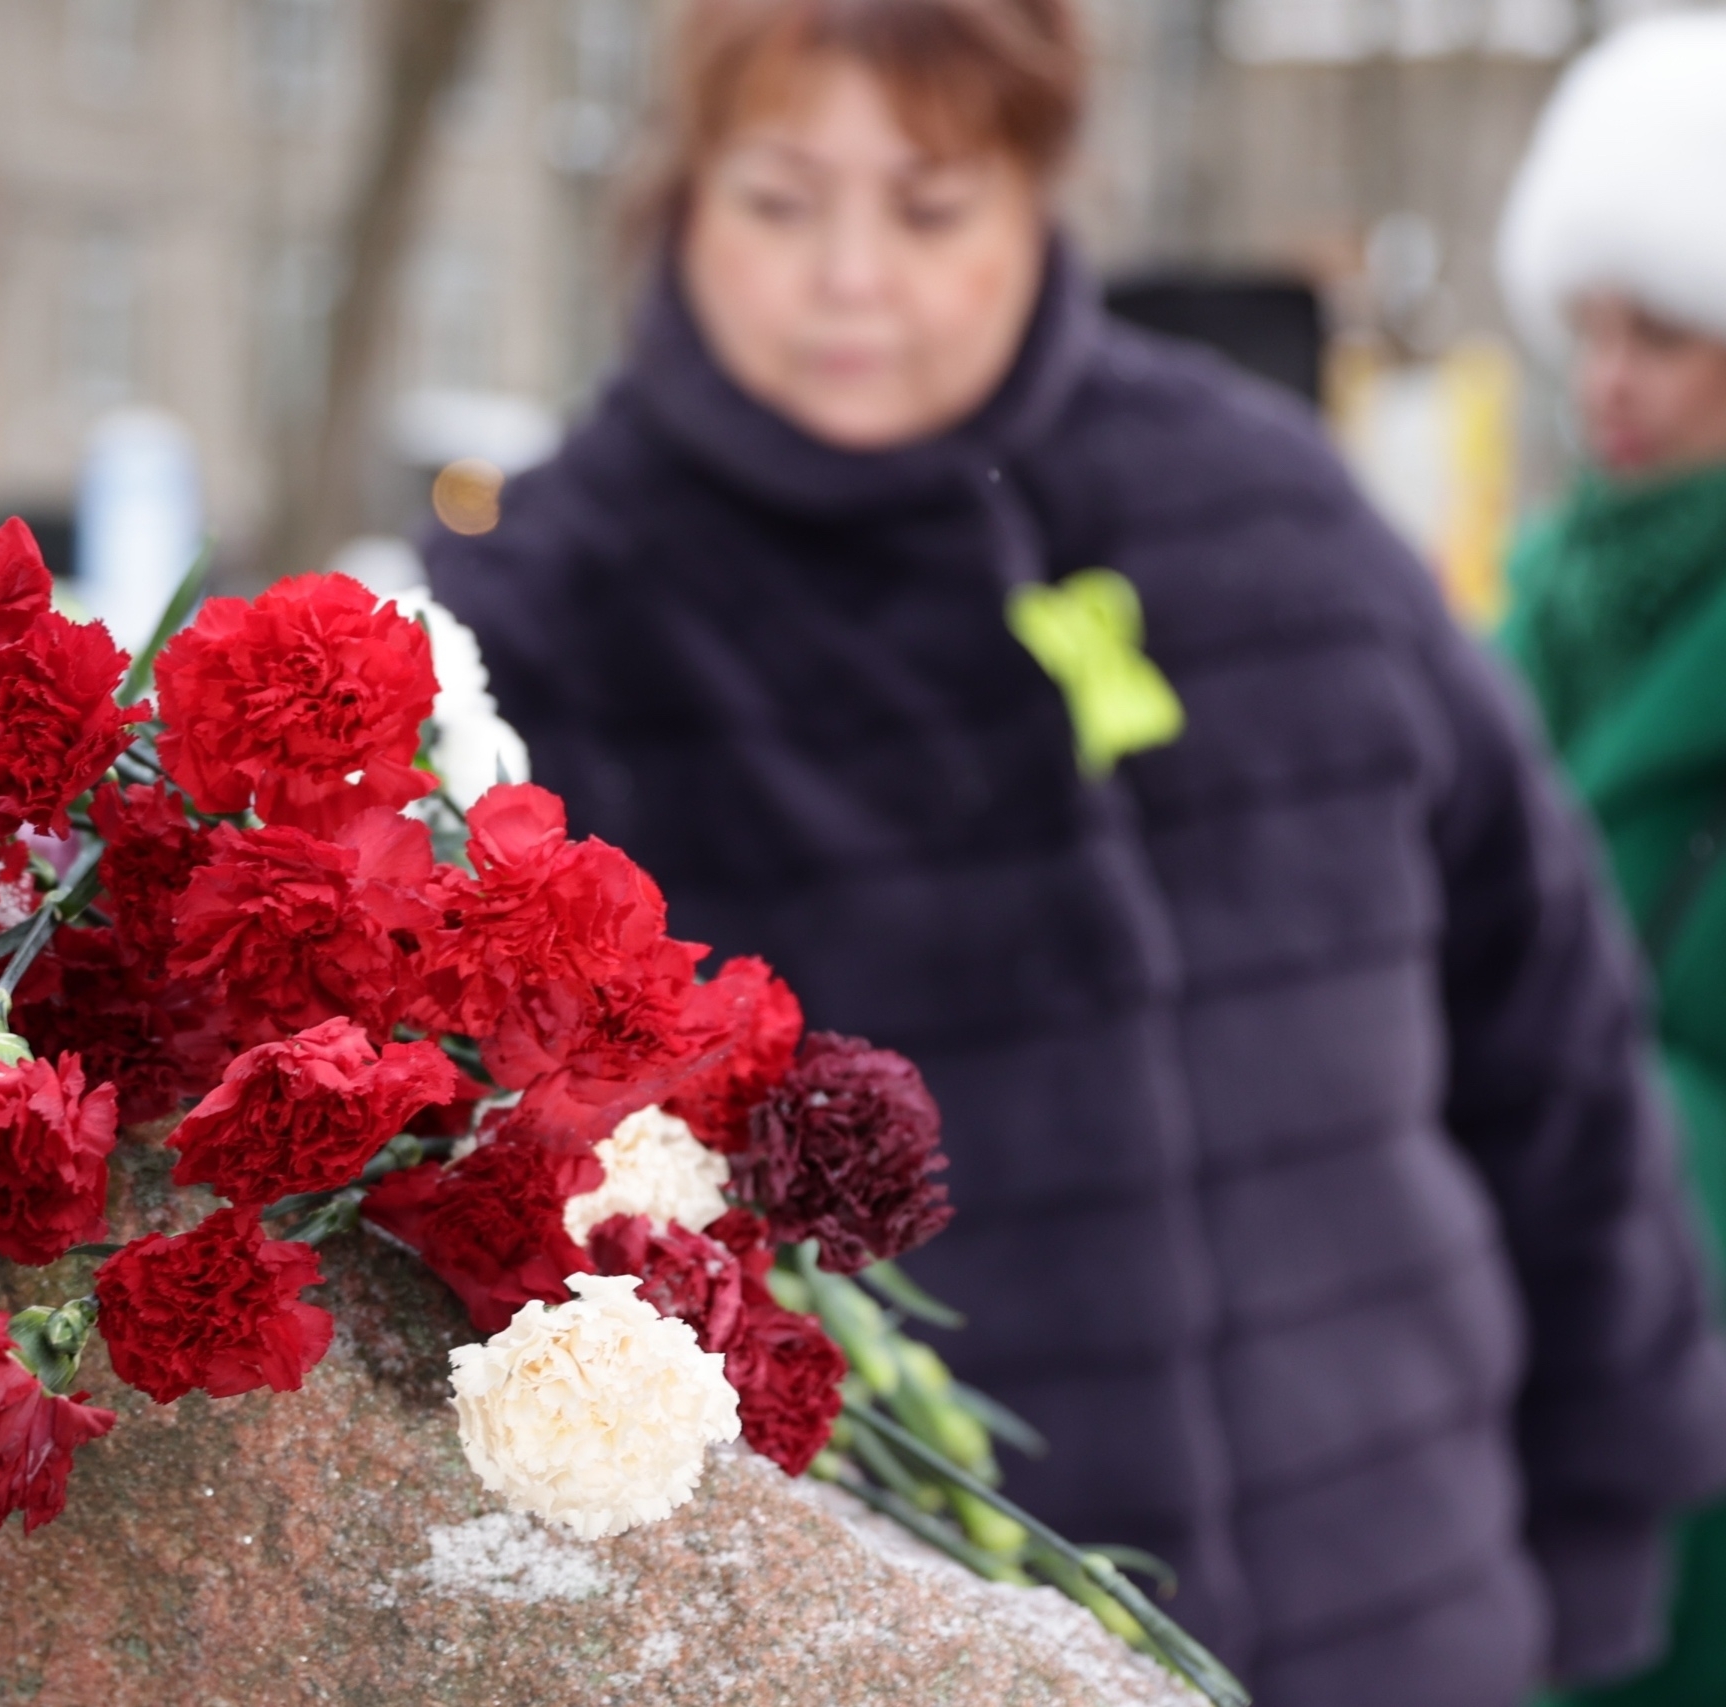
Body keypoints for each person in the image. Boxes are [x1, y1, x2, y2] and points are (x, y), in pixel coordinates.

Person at [422, 2, 1726, 1701]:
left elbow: (1549, 1043)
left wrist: (1605, 1516)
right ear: (682, 191)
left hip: (1414, 1613)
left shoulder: (1267, 511)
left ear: (1039, 190)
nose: (853, 278)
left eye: (932, 205)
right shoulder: (555, 620)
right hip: (905, 1649)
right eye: (781, 199)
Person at [1493, 16, 1726, 1705]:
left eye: (1669, 332)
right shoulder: (1542, 604)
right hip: (1526, 1321)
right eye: (1592, 330)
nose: (1614, 381)